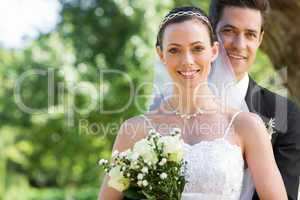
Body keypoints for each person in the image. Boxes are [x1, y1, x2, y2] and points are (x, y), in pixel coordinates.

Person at [98, 6, 287, 200]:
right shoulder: (134, 130)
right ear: (161, 54)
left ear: (214, 51)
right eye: (174, 50)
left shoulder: (246, 125)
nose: (187, 60)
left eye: (197, 48)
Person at [209, 0, 300, 199]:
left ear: (260, 39)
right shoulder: (174, 105)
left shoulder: (285, 114)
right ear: (210, 33)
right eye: (229, 31)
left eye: (250, 34)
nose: (240, 45)